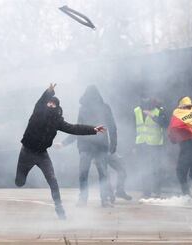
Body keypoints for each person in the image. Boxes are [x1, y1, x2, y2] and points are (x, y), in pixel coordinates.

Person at [15, 83, 105, 219]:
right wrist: (49, 92)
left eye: (54, 104)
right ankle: (20, 179)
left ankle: (59, 207)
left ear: (57, 108)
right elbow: (40, 102)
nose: (51, 105)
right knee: (19, 182)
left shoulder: (57, 121)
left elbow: (74, 128)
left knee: (53, 180)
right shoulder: (38, 113)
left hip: (42, 155)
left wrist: (93, 129)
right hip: (26, 153)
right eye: (49, 103)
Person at [58, 85, 130, 207]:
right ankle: (95, 199)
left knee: (92, 173)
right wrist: (64, 143)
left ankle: (95, 199)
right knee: (98, 173)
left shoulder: (103, 108)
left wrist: (113, 144)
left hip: (97, 146)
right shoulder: (86, 109)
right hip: (89, 146)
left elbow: (110, 126)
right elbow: (80, 128)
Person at [133, 96, 168, 198]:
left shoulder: (159, 111)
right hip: (142, 144)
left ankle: (157, 190)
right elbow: (133, 127)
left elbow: (165, 124)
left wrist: (152, 116)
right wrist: (133, 145)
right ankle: (146, 192)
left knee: (156, 169)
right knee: (144, 168)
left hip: (155, 144)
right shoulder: (136, 111)